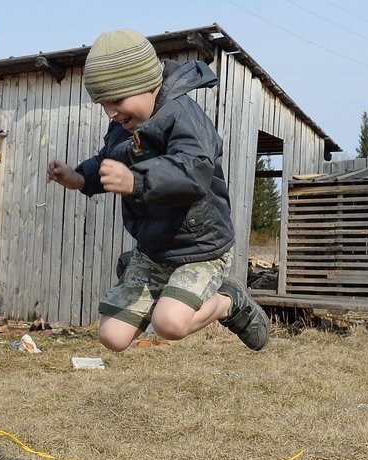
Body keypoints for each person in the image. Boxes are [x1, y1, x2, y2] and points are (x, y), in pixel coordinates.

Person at [47, 29, 269, 353]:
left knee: (170, 324)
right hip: (154, 249)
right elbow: (107, 160)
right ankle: (159, 287)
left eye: (117, 101)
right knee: (112, 336)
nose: (110, 112)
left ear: (149, 86)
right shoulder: (124, 125)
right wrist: (80, 177)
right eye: (104, 104)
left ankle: (228, 301)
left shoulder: (182, 116)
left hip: (201, 247)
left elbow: (194, 170)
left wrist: (136, 181)